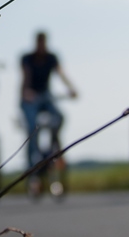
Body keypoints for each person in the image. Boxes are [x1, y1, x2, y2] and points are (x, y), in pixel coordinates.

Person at [20, 31, 78, 189]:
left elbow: (60, 73)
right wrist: (26, 92)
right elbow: (26, 77)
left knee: (59, 116)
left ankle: (53, 144)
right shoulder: (27, 58)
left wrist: (71, 88)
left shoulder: (52, 58)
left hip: (46, 97)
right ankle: (33, 171)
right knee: (32, 128)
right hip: (30, 97)